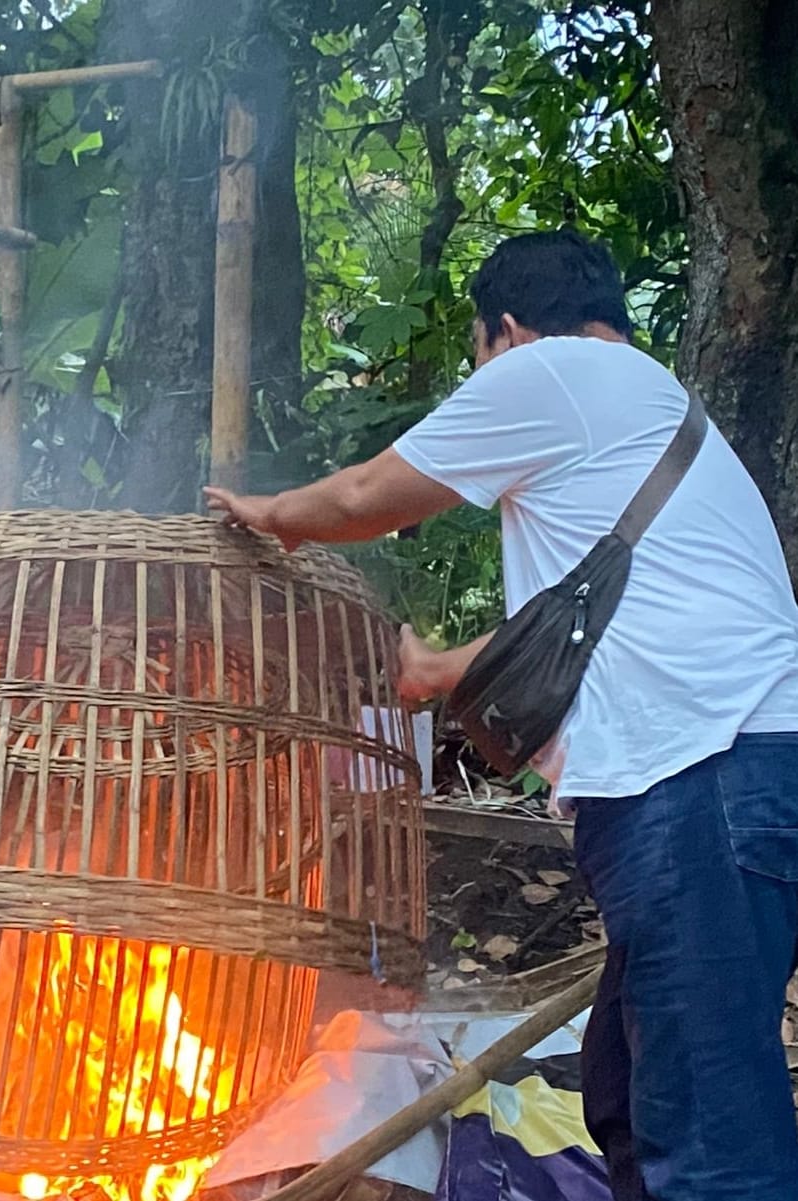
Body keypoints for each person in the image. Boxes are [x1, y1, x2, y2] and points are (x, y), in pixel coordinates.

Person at [206, 228, 798, 1201]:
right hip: (727, 774)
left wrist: (265, 512)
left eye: (480, 356)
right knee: (630, 1092)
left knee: (708, 1130)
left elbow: (366, 497)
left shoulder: (552, 372)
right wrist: (438, 670)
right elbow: (576, 618)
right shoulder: (646, 409)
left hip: (701, 778)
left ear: (507, 331)